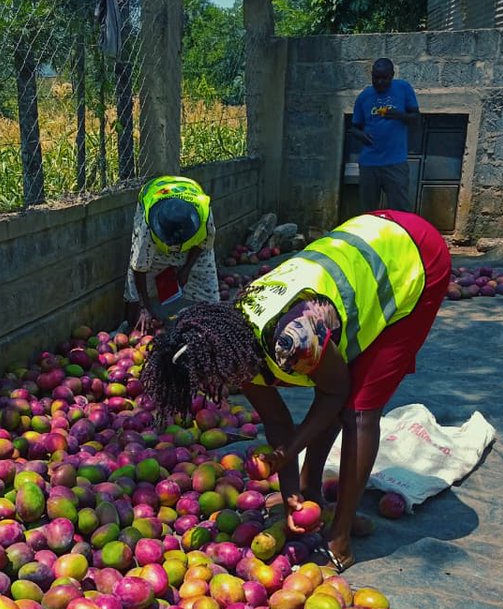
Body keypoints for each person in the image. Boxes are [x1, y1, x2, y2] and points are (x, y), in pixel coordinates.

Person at [140, 210, 451, 572]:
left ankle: (341, 535)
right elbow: (276, 420)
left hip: (412, 257)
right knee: (339, 384)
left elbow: (336, 394)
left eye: (211, 384)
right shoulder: (229, 347)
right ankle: (309, 488)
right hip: (366, 237)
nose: (216, 392)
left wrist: (287, 453)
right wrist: (290, 493)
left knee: (359, 410)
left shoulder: (294, 337)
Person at [124, 176, 219, 332]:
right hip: (155, 193)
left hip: (188, 191)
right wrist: (144, 307)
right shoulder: (148, 228)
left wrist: (186, 269)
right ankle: (131, 324)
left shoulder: (205, 219)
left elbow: (204, 243)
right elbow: (139, 267)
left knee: (211, 297)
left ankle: (208, 331)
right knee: (137, 285)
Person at [352, 59, 420, 213]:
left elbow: (416, 118)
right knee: (368, 212)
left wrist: (399, 115)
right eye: (376, 78)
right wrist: (361, 136)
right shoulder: (364, 97)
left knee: (401, 210)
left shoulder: (403, 88)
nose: (380, 82)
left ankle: (400, 236)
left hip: (395, 162)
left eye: (384, 78)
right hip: (369, 163)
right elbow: (354, 128)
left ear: (392, 75)